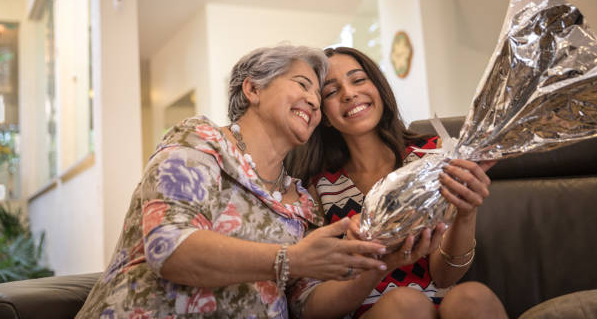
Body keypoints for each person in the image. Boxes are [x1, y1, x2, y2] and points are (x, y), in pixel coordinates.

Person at [75, 45, 389, 319]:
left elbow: (307, 306)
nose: (314, 102)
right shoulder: (201, 142)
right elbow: (169, 246)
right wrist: (290, 259)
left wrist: (381, 262)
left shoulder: (304, 202)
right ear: (253, 90)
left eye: (318, 98)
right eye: (302, 84)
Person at [286, 47, 508, 319]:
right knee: (405, 303)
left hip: (440, 302)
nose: (349, 93)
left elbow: (443, 276)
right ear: (324, 115)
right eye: (331, 92)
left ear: (378, 88)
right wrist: (371, 262)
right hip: (368, 308)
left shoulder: (432, 156)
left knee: (473, 297)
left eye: (358, 80)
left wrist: (466, 212)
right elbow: (309, 305)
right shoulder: (318, 190)